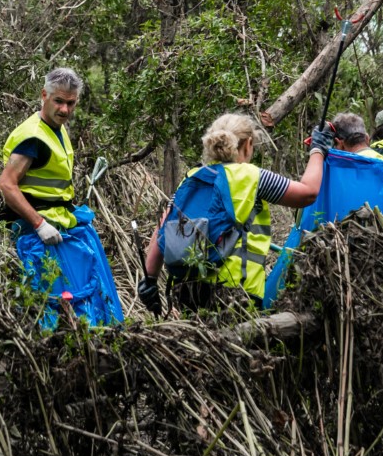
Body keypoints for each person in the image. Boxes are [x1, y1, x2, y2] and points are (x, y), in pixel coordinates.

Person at [138, 112, 326, 313]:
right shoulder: (253, 177)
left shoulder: (193, 177)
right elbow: (308, 193)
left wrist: (149, 279)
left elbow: (163, 228)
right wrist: (318, 149)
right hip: (236, 295)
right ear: (247, 144)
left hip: (187, 291)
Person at [0, 66, 124, 327]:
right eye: (59, 102)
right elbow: (6, 185)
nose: (65, 110)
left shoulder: (57, 127)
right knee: (52, 303)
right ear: (44, 95)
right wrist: (39, 225)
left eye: (71, 103)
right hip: (34, 233)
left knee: (77, 298)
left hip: (57, 224)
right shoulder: (33, 136)